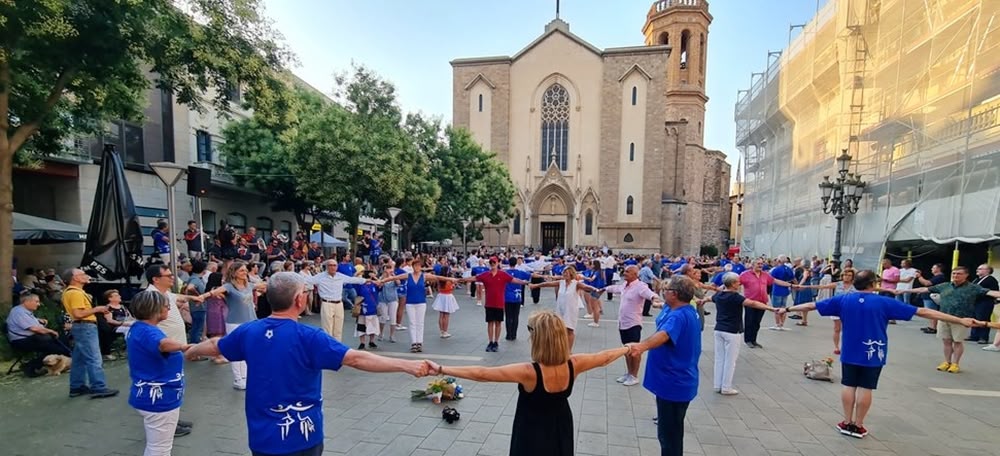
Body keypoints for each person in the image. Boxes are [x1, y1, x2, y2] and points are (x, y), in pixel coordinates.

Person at [184, 272, 432, 456]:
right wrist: (406, 365)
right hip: (303, 437)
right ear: (299, 301)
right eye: (304, 292)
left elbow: (216, 345)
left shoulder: (248, 331)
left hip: (262, 438)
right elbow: (356, 358)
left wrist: (191, 350)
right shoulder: (310, 337)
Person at [784, 270, 980, 439]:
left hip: (850, 350)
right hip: (874, 351)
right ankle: (858, 425)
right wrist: (959, 320)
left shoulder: (842, 299)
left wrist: (786, 309)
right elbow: (923, 312)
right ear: (873, 284)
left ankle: (846, 422)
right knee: (866, 388)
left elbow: (811, 306)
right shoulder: (884, 302)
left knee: (849, 385)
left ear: (855, 283)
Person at [425, 311, 632, 456]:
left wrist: (442, 369)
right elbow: (603, 357)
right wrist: (628, 348)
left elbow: (482, 374)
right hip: (561, 424)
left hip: (531, 429)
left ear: (538, 337)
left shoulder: (529, 372)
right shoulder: (574, 364)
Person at [628, 276, 701, 456]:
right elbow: (663, 305)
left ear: (674, 294)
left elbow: (664, 335)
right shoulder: (682, 307)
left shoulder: (678, 316)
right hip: (674, 380)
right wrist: (657, 302)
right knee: (670, 430)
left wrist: (641, 346)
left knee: (669, 436)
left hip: (674, 382)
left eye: (666, 290)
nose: (663, 292)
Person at [896, 266, 1000, 373]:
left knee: (958, 342)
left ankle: (955, 363)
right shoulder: (945, 286)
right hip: (944, 317)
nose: (955, 276)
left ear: (966, 275)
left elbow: (991, 292)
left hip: (961, 319)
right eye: (954, 273)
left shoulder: (973, 288)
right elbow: (924, 289)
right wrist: (904, 290)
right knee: (946, 341)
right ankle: (947, 362)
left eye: (959, 274)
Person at [126, 290, 193, 455]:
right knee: (160, 448)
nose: (168, 309)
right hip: (159, 398)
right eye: (166, 306)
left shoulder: (139, 327)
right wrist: (184, 346)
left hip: (150, 395)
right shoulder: (149, 331)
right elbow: (163, 344)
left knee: (157, 446)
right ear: (154, 309)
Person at [711, 273, 775, 395]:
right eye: (737, 282)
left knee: (719, 359)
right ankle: (726, 387)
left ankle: (717, 385)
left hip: (719, 329)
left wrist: (702, 300)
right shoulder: (736, 297)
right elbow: (753, 303)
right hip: (732, 331)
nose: (740, 284)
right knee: (730, 360)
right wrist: (771, 309)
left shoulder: (719, 295)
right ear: (733, 284)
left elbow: (710, 298)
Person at [209, 260, 268, 389]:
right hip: (235, 322)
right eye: (241, 270)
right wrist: (206, 295)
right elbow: (216, 291)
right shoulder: (229, 286)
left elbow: (263, 285)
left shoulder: (249, 285)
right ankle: (238, 378)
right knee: (236, 350)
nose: (244, 272)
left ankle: (246, 376)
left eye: (245, 270)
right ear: (234, 273)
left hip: (251, 321)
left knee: (248, 350)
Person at [602, 265, 664, 386]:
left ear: (636, 274)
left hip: (633, 324)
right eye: (625, 271)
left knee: (635, 350)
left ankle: (634, 375)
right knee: (626, 349)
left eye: (628, 272)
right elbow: (615, 288)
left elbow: (650, 294)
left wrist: (655, 299)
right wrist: (603, 289)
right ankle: (629, 373)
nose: (625, 273)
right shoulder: (625, 285)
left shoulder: (640, 286)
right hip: (623, 323)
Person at [61, 268, 118, 398]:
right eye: (83, 274)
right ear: (75, 278)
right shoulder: (76, 293)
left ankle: (77, 386)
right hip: (85, 326)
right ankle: (98, 386)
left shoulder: (70, 292)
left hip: (80, 327)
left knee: (79, 359)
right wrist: (97, 309)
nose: (86, 276)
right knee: (94, 357)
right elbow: (78, 313)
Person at [458, 257, 530, 352]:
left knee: (498, 323)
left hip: (499, 303)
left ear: (498, 263)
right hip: (489, 303)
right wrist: (460, 280)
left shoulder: (503, 274)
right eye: (491, 262)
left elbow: (514, 280)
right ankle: (490, 341)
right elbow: (474, 278)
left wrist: (526, 283)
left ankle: (496, 342)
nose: (492, 264)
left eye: (494, 262)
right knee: (490, 323)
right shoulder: (486, 275)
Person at [380, 265, 457, 353]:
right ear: (413, 267)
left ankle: (419, 342)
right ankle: (414, 343)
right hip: (410, 302)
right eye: (415, 266)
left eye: (418, 266)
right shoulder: (408, 275)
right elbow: (395, 277)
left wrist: (450, 279)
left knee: (420, 323)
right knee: (412, 323)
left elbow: (437, 277)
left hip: (421, 302)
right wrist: (383, 280)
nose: (417, 268)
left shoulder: (424, 276)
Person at [529, 265, 599, 350]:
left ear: (571, 274)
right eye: (564, 273)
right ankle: (561, 348)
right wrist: (535, 286)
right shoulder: (560, 282)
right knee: (559, 329)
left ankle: (569, 351)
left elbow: (586, 287)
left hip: (571, 310)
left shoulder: (576, 284)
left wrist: (595, 289)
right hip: (560, 309)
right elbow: (546, 284)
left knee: (570, 330)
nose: (565, 274)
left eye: (567, 273)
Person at [797, 267, 858, 354]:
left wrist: (884, 290)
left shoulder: (856, 286)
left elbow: (872, 289)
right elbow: (822, 286)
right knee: (837, 329)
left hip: (850, 309)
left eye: (849, 275)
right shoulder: (838, 284)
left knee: (849, 329)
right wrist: (806, 286)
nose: (847, 277)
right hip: (837, 309)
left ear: (853, 277)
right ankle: (837, 347)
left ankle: (847, 346)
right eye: (845, 275)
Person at [307, 259, 368, 342]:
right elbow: (306, 281)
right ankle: (327, 347)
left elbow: (353, 279)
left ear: (337, 267)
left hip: (339, 303)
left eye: (334, 265)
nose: (332, 267)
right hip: (327, 303)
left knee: (338, 328)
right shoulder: (320, 277)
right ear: (327, 267)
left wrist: (368, 281)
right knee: (327, 328)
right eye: (330, 265)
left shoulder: (340, 276)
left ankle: (337, 346)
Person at [738, 259, 794, 349]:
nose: (760, 265)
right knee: (749, 321)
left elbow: (776, 281)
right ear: (753, 265)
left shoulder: (765, 275)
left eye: (761, 264)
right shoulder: (745, 274)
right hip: (750, 302)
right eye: (758, 263)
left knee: (757, 322)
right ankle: (748, 340)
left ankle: (754, 340)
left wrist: (790, 285)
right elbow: (735, 283)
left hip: (762, 302)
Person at [6, 292, 70, 358]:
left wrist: (38, 320)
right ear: (27, 302)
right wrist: (51, 331)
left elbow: (28, 322)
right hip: (22, 341)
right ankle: (33, 366)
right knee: (57, 348)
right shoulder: (19, 312)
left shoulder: (21, 311)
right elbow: (35, 329)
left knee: (62, 339)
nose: (38, 304)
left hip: (30, 338)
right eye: (36, 302)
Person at [99, 289, 134, 360]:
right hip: (116, 326)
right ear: (110, 298)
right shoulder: (108, 308)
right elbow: (110, 320)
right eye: (116, 295)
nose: (119, 296)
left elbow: (130, 317)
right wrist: (122, 323)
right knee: (129, 330)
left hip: (126, 323)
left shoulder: (123, 307)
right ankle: (130, 350)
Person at [969, 264, 998, 344]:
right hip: (976, 302)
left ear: (988, 271)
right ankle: (974, 335)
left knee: (983, 319)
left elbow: (994, 292)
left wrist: (982, 292)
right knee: (975, 318)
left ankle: (983, 337)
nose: (977, 270)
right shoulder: (977, 279)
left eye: (981, 269)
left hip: (985, 302)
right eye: (978, 268)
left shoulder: (991, 280)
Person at [431, 264, 459, 339]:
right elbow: (453, 287)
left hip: (441, 296)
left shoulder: (439, 279)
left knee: (441, 315)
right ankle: (445, 331)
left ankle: (441, 331)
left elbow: (438, 287)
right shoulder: (449, 279)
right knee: (446, 315)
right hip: (448, 296)